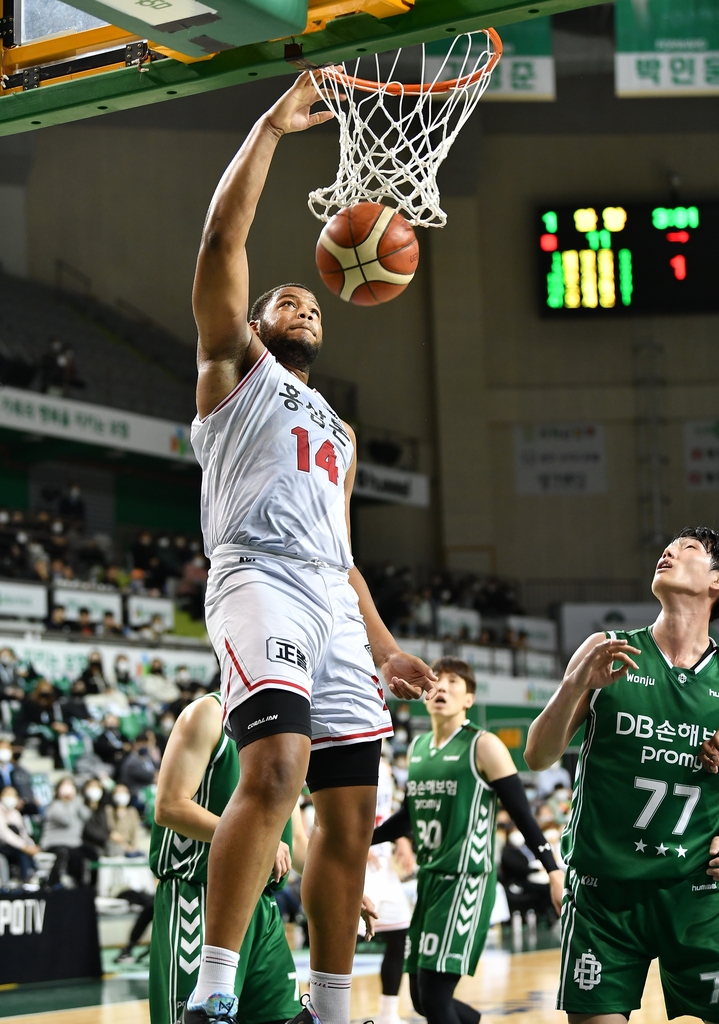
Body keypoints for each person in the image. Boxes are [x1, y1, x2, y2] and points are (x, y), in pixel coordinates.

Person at [182, 71, 437, 1024]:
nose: (304, 304)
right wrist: (272, 127)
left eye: (313, 303)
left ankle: (331, 1009)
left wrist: (380, 642)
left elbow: (343, 551)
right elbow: (222, 241)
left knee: (348, 815)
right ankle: (216, 986)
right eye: (285, 299)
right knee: (277, 768)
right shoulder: (232, 370)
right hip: (257, 578)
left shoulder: (338, 426)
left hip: (331, 601)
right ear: (252, 324)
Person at [525, 526, 719, 1024]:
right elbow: (537, 755)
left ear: (717, 582)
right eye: (668, 547)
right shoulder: (607, 649)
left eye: (690, 550)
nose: (670, 552)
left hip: (697, 892)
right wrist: (574, 686)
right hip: (602, 892)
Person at [373, 657, 564, 1024]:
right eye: (436, 681)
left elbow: (523, 815)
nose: (441, 687)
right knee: (419, 999)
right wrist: (364, 839)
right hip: (430, 882)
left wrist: (553, 871)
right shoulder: (419, 748)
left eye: (453, 683)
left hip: (467, 882)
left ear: (469, 700)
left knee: (434, 994)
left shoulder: (483, 745)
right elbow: (410, 816)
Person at [149, 691, 305, 1024]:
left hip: (262, 906)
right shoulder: (207, 713)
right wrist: (255, 840)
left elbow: (300, 844)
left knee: (283, 1018)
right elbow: (169, 806)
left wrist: (347, 893)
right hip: (200, 896)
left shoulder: (289, 733)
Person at [360, 753, 413, 1024]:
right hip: (356, 856)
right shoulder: (351, 752)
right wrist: (356, 841)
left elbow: (388, 811)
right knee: (342, 940)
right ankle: (320, 1007)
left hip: (382, 859)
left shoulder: (386, 766)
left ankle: (388, 1015)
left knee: (399, 933)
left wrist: (401, 837)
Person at [41, 776, 92, 886]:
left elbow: (87, 816)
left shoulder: (77, 804)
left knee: (90, 853)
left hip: (74, 844)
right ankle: (53, 884)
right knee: (68, 854)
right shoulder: (54, 806)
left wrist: (77, 800)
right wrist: (67, 802)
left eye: (70, 786)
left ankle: (85, 887)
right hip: (55, 844)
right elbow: (66, 820)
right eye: (64, 786)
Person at [0, 785, 39, 882]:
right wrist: (24, 847)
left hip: (15, 847)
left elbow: (23, 833)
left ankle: (35, 877)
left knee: (29, 854)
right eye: (7, 794)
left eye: (13, 795)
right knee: (22, 854)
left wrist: (31, 845)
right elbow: (5, 834)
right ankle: (25, 881)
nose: (10, 797)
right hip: (3, 845)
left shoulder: (15, 813)